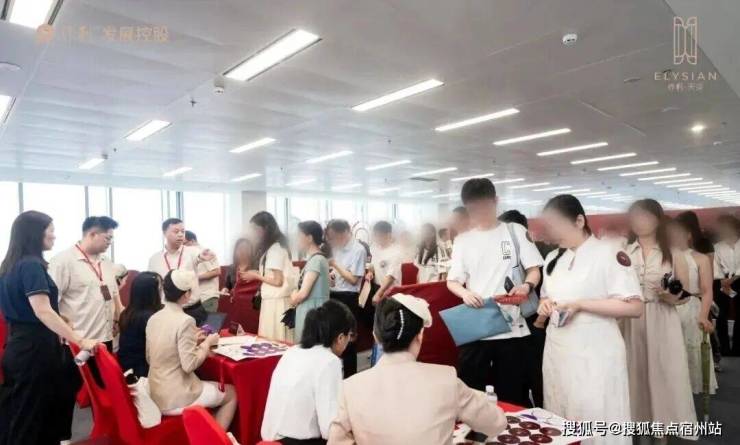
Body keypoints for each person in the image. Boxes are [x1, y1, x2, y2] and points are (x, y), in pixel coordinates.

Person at [328, 295, 507, 445]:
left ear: (376, 337)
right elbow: (496, 423)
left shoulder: (350, 387)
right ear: (420, 335)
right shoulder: (446, 378)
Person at [538, 195, 643, 445]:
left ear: (579, 221)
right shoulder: (553, 259)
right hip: (558, 350)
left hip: (596, 350)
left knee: (596, 414)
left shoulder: (609, 253)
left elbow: (635, 307)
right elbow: (547, 297)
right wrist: (545, 305)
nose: (553, 233)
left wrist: (581, 304)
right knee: (560, 410)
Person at [0, 211, 98, 445]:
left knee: (20, 413)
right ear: (35, 233)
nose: (54, 235)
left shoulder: (10, 265)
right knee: (34, 418)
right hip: (35, 350)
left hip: (19, 345)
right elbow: (42, 310)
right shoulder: (31, 265)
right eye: (50, 230)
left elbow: (26, 308)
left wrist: (61, 318)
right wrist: (80, 340)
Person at [447, 178, 544, 407]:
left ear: (495, 201)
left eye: (484, 207)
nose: (480, 213)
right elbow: (452, 281)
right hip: (478, 324)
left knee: (513, 392)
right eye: (474, 209)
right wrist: (465, 294)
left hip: (512, 327)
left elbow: (534, 270)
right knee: (472, 391)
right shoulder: (463, 241)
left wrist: (527, 286)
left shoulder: (514, 232)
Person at [621, 199, 697, 439]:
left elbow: (685, 294)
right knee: (635, 374)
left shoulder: (673, 253)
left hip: (662, 318)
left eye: (645, 216)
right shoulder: (623, 253)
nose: (640, 222)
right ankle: (639, 429)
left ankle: (662, 432)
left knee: (664, 374)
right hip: (631, 321)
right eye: (635, 217)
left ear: (657, 220)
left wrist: (670, 296)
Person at [146, 269, 237, 429]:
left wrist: (192, 341)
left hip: (155, 391)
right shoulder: (185, 320)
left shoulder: (154, 318)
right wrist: (207, 343)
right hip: (177, 396)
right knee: (232, 393)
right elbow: (189, 365)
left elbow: (150, 357)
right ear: (187, 294)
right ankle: (214, 439)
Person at [262, 300, 356, 445]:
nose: (349, 341)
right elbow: (329, 428)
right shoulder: (329, 361)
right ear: (340, 338)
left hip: (270, 438)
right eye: (349, 335)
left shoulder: (292, 351)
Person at [49, 216, 122, 351]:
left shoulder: (106, 262)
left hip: (105, 338)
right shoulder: (63, 261)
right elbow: (51, 304)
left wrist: (118, 318)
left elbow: (113, 293)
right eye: (107, 238)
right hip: (77, 341)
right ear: (92, 234)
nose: (110, 242)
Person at [497, 209, 545, 407]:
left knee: (532, 373)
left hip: (533, 319)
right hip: (528, 320)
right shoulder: (535, 250)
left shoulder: (534, 253)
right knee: (531, 372)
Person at [666, 218, 718, 394]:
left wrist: (703, 315)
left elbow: (707, 290)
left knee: (691, 348)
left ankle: (692, 386)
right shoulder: (663, 257)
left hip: (691, 307)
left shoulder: (700, 258)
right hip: (666, 307)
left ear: (688, 235)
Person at [242, 211, 295, 342]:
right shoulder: (276, 246)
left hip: (275, 302)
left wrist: (256, 276)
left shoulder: (275, 249)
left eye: (255, 229)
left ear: (265, 228)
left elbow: (278, 281)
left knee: (273, 340)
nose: (253, 233)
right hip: (276, 300)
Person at [326, 219, 367, 378]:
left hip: (348, 297)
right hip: (333, 294)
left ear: (343, 233)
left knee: (348, 341)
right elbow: (336, 272)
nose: (332, 240)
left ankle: (350, 378)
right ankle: (334, 376)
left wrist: (335, 265)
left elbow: (353, 280)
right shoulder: (336, 248)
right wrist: (331, 274)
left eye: (333, 236)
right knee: (332, 339)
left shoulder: (358, 250)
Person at [148, 218, 209, 325]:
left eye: (183, 231)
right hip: (167, 312)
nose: (181, 235)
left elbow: (199, 257)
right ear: (164, 233)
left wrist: (202, 256)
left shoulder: (192, 252)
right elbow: (153, 286)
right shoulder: (155, 259)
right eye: (176, 231)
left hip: (193, 310)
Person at [118, 272, 163, 378]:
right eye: (160, 288)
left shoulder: (128, 312)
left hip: (129, 369)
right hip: (143, 373)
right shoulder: (149, 318)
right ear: (152, 293)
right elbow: (162, 351)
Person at [291, 221, 330, 342]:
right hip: (313, 310)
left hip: (311, 312)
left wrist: (293, 298)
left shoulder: (316, 260)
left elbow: (303, 293)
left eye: (299, 236)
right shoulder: (317, 259)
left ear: (309, 238)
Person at [712, 214, 740, 355]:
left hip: (739, 280)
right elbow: (715, 265)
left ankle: (738, 348)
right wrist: (722, 279)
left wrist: (734, 277)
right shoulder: (717, 247)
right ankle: (724, 348)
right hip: (722, 282)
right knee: (721, 315)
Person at [184, 230, 222, 313]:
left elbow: (216, 271)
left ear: (192, 241)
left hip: (207, 296)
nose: (183, 247)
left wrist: (194, 278)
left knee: (208, 321)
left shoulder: (204, 252)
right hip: (196, 298)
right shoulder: (189, 255)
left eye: (184, 244)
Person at [368, 221, 403, 305]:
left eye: (379, 235)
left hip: (390, 289)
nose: (376, 238)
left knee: (389, 312)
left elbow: (391, 277)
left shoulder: (396, 252)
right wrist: (370, 272)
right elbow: (372, 265)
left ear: (388, 235)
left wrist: (379, 293)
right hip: (377, 286)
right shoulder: (375, 248)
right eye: (375, 235)